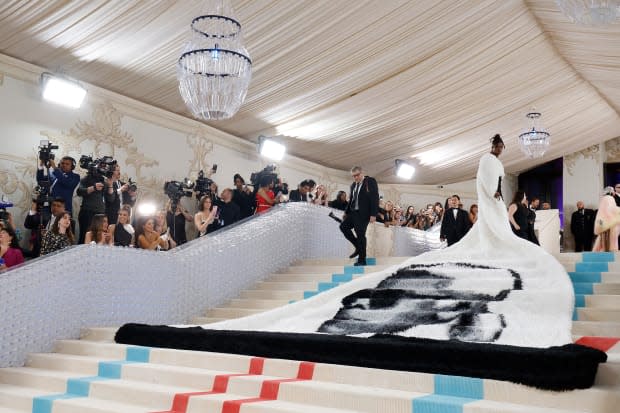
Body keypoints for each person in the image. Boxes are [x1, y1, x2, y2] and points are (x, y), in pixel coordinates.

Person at [339, 166, 379, 266]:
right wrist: (346, 212)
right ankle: (358, 247)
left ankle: (362, 260)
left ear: (362, 173)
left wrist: (373, 214)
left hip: (364, 214)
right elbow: (351, 199)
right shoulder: (353, 185)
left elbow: (375, 197)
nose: (356, 178)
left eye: (357, 175)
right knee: (343, 227)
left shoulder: (370, 181)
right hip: (353, 212)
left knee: (360, 235)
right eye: (354, 176)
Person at [76, 169, 106, 244]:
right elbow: (79, 191)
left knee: (99, 237)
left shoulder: (103, 179)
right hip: (87, 212)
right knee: (84, 237)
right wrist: (94, 188)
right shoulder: (86, 179)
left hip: (100, 213)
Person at [592, 187, 620, 252]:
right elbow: (611, 209)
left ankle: (598, 250)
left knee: (602, 238)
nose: (614, 193)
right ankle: (612, 249)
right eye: (613, 191)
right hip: (607, 222)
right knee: (611, 236)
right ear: (611, 192)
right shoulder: (609, 198)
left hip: (602, 222)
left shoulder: (604, 198)